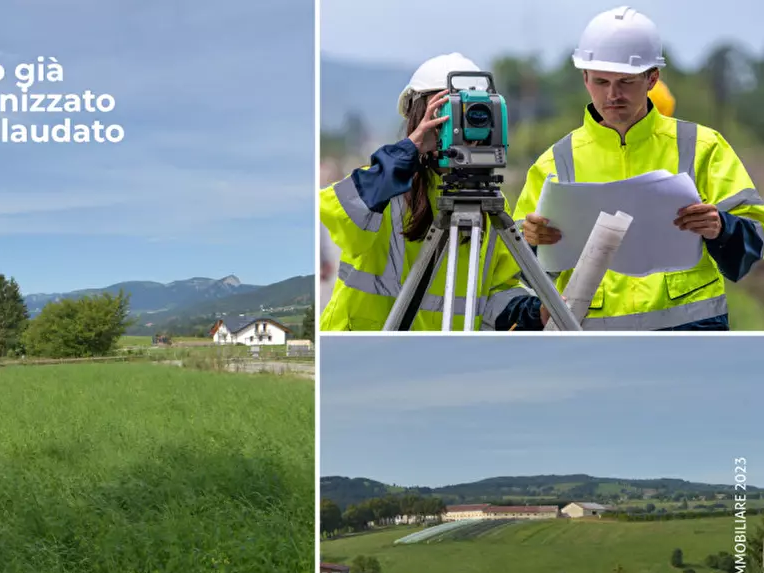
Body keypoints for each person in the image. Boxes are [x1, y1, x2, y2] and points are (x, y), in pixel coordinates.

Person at [514, 6, 764, 331]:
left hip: (691, 335)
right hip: (593, 340)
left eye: (626, 82)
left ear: (652, 78)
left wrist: (721, 227)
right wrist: (532, 240)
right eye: (601, 81)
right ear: (585, 78)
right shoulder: (554, 162)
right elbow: (515, 265)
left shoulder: (703, 146)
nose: (612, 95)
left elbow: (756, 236)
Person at [320, 53, 543, 331]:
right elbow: (334, 212)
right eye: (449, 110)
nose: (465, 122)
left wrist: (533, 313)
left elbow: (495, 294)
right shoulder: (385, 186)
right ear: (421, 116)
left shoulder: (490, 203)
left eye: (474, 109)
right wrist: (408, 151)